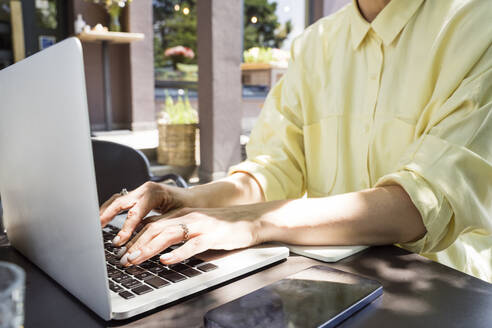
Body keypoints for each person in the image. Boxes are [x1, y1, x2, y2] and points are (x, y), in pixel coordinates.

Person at [100, 0, 492, 283]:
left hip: (446, 292)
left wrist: (254, 221)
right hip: (328, 282)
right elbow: (274, 169)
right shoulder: (314, 44)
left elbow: (423, 203)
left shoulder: (478, 23)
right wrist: (189, 199)